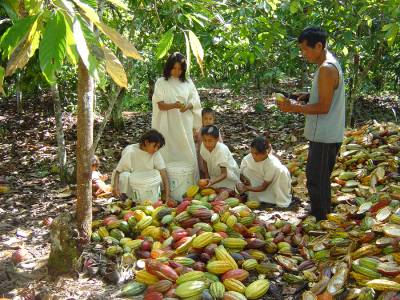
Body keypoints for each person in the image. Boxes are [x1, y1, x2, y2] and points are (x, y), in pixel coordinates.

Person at [277, 26, 345, 220]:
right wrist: (308, 96)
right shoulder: (329, 63)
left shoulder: (326, 68)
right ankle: (322, 212)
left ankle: (321, 217)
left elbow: (324, 107)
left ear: (319, 45)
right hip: (327, 132)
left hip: (325, 134)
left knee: (316, 179)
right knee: (320, 177)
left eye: (306, 49)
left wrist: (294, 108)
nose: (303, 53)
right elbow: (326, 96)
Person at [152, 52, 202, 178]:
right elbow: (160, 105)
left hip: (183, 123)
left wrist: (187, 106)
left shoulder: (188, 82)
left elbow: (195, 100)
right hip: (166, 123)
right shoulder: (161, 82)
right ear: (168, 67)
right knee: (166, 150)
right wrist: (174, 105)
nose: (177, 71)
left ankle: (189, 180)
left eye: (180, 69)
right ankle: (166, 182)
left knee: (186, 149)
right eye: (174, 68)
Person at [112, 130, 171, 201]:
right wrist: (115, 187)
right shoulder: (130, 151)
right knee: (124, 176)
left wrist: (168, 196)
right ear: (146, 142)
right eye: (154, 146)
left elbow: (163, 173)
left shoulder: (155, 153)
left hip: (149, 183)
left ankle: (158, 196)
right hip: (134, 185)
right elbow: (118, 171)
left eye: (158, 148)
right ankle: (125, 198)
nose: (156, 149)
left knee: (158, 174)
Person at [237, 136, 292, 208]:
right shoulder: (247, 158)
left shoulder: (272, 164)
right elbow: (240, 173)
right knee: (247, 170)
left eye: (256, 154)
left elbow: (264, 187)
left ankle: (278, 201)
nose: (253, 156)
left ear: (266, 153)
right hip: (254, 186)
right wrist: (244, 179)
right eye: (252, 153)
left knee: (281, 171)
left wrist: (246, 188)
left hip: (270, 186)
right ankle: (254, 198)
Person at [199, 125, 240, 190]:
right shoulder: (203, 146)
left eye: (210, 140)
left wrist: (211, 182)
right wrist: (207, 177)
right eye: (204, 140)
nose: (207, 143)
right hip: (214, 177)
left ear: (217, 139)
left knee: (225, 193)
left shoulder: (221, 150)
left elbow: (224, 174)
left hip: (228, 177)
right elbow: (205, 161)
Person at [195, 108, 223, 177]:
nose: (208, 121)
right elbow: (196, 140)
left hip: (213, 154)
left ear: (213, 120)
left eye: (210, 119)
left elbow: (220, 143)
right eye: (205, 119)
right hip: (201, 154)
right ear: (202, 119)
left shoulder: (214, 130)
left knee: (213, 169)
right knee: (202, 169)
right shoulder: (199, 130)